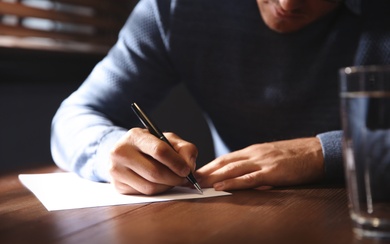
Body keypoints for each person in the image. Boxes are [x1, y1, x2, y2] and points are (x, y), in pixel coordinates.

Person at [51, 0, 390, 195]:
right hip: (234, 220)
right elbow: (77, 114)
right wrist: (109, 149)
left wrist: (324, 154)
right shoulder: (176, 8)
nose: (287, 4)